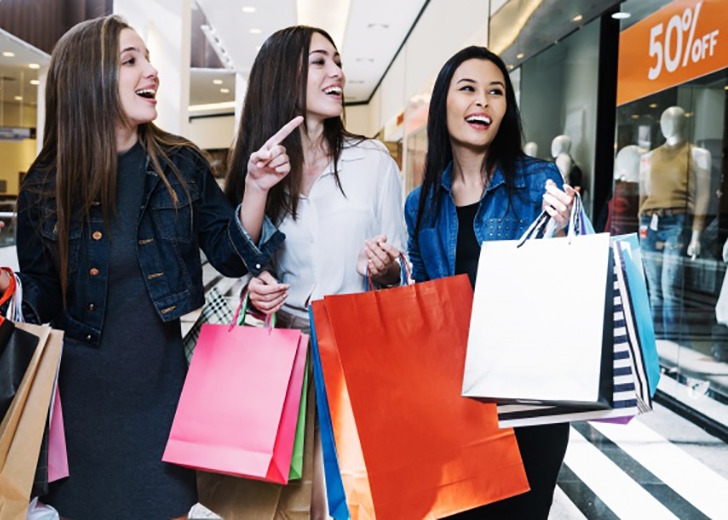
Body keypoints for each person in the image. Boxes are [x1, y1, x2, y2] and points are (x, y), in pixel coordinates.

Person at [0, 15, 294, 519]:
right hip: (78, 401)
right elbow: (44, 301)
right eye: (130, 61)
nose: (151, 72)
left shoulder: (181, 162)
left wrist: (256, 188)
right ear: (88, 80)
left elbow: (228, 252)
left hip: (161, 391)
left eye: (149, 58)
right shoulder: (45, 184)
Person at [221, 25, 407, 518]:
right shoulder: (261, 165)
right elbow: (238, 260)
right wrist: (257, 190)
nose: (338, 73)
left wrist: (386, 268)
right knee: (283, 502)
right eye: (320, 62)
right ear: (285, 76)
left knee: (348, 496)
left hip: (357, 351)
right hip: (283, 355)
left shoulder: (372, 162)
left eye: (337, 61)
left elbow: (403, 267)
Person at [404, 46, 574, 519]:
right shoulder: (420, 204)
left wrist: (560, 233)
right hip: (455, 396)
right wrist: (384, 275)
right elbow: (421, 302)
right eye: (469, 89)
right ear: (443, 104)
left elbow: (560, 286)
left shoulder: (537, 180)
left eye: (496, 92)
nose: (483, 102)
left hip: (528, 396)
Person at [638, 105, 711, 341]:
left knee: (670, 290)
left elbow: (703, 196)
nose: (668, 123)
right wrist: (641, 221)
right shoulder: (649, 157)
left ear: (683, 122)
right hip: (650, 223)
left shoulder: (698, 154)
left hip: (677, 223)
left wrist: (696, 234)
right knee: (655, 292)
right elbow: (644, 194)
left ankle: (670, 347)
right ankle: (654, 345)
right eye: (664, 119)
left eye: (674, 119)